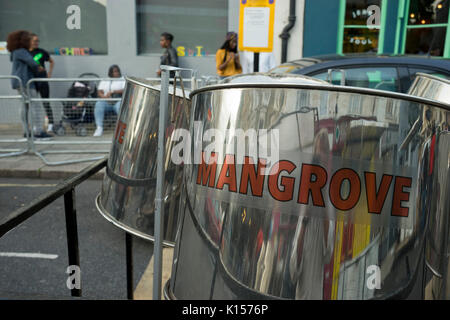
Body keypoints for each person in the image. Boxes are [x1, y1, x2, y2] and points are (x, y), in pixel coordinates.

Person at [7, 30, 51, 138]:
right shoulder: (21, 51)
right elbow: (32, 62)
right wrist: (39, 67)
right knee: (35, 105)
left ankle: (26, 131)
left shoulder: (16, 51)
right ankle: (38, 131)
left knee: (24, 106)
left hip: (20, 81)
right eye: (28, 39)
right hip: (25, 82)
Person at [29, 33, 55, 133]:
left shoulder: (41, 52)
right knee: (33, 105)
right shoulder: (26, 53)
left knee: (46, 103)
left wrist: (49, 73)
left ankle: (51, 124)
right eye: (34, 41)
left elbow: (51, 61)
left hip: (42, 81)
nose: (36, 43)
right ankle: (36, 125)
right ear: (29, 41)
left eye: (37, 41)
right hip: (32, 82)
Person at [93, 65, 125, 137]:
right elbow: (99, 91)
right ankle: (99, 128)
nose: (116, 73)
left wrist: (113, 91)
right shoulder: (105, 80)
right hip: (107, 102)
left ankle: (122, 129)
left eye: (117, 71)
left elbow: (124, 90)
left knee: (120, 106)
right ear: (110, 72)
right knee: (98, 104)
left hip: (117, 101)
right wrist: (104, 97)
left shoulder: (122, 79)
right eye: (114, 71)